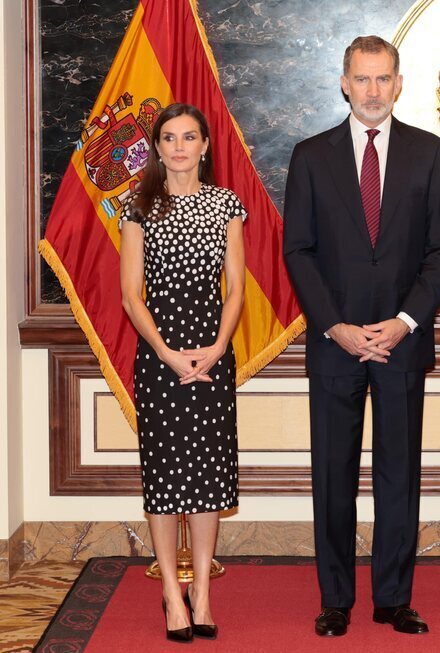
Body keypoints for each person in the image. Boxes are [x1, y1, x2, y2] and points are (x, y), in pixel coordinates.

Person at [283, 35, 440, 637]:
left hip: (401, 342)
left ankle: (392, 598)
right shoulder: (310, 156)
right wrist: (337, 326)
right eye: (363, 79)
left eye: (384, 79)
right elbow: (298, 251)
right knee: (333, 474)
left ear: (399, 82)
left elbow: (439, 254)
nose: (373, 90)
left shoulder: (430, 154)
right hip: (336, 343)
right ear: (344, 83)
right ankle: (335, 599)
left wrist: (402, 323)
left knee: (398, 475)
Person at [120, 103, 246, 643]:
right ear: (158, 146)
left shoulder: (225, 204)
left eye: (188, 137)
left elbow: (236, 287)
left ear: (205, 145)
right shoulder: (138, 205)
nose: (178, 147)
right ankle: (172, 592)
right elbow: (131, 296)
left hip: (213, 353)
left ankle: (203, 595)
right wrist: (169, 354)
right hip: (159, 355)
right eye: (168, 137)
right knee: (167, 474)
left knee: (208, 477)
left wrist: (217, 347)